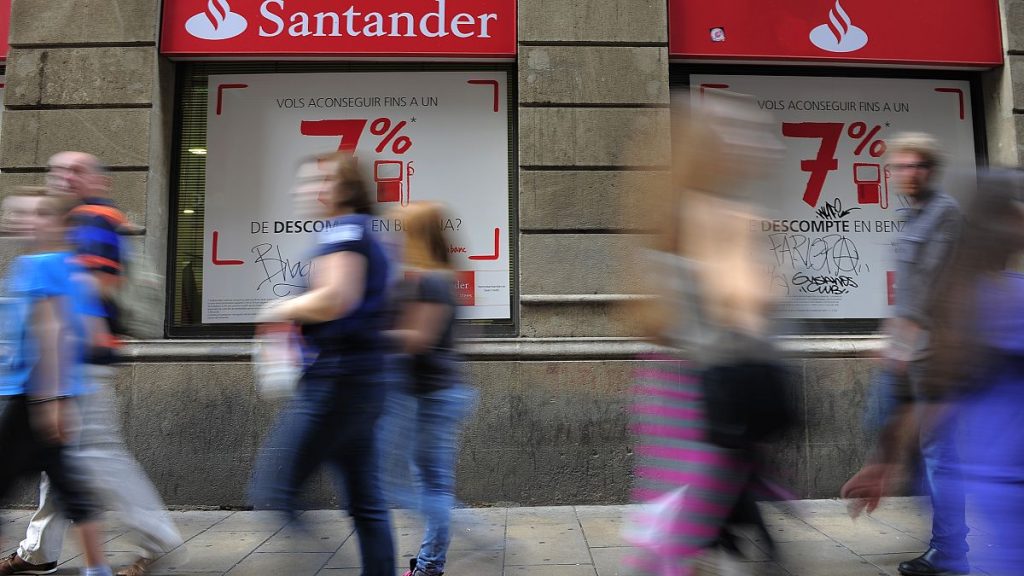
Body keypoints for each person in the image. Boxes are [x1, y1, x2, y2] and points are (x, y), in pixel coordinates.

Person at [625, 94, 791, 576]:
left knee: (680, 524)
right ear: (713, 151)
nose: (762, 144)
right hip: (708, 395)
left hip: (680, 384)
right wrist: (758, 258)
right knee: (683, 525)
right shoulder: (716, 213)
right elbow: (742, 308)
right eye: (745, 134)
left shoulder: (677, 212)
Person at [1, 153, 182, 576]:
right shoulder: (77, 223)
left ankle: (159, 540)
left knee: (97, 457)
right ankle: (38, 551)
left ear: (101, 181)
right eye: (57, 170)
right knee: (60, 461)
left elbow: (94, 286)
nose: (63, 177)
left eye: (75, 170)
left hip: (79, 364)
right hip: (63, 367)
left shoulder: (95, 220)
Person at [249, 152, 395, 576]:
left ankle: (319, 562)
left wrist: (280, 307)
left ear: (347, 187)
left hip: (336, 383)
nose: (309, 189)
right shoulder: (362, 230)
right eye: (307, 180)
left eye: (321, 180)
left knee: (275, 490)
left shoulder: (346, 230)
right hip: (361, 381)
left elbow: (336, 298)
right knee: (366, 503)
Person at [841, 134, 967, 576]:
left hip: (936, 357)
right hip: (911, 351)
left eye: (917, 166)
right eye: (900, 167)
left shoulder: (944, 213)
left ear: (930, 170)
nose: (908, 174)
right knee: (895, 433)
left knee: (938, 455)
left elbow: (931, 287)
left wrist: (902, 335)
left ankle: (951, 551)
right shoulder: (910, 216)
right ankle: (895, 488)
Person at [0, 189, 114, 576]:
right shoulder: (74, 267)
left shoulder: (36, 266)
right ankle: (96, 567)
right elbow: (93, 331)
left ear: (58, 223)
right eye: (17, 212)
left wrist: (48, 401)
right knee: (71, 488)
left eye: (37, 214)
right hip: (61, 393)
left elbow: (51, 331)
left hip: (31, 396)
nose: (23, 220)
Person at [379, 202, 478, 576]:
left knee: (419, 488)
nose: (394, 240)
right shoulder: (425, 278)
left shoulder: (435, 281)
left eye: (400, 231)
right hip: (426, 395)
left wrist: (368, 335)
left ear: (416, 235)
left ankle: (476, 544)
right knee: (426, 485)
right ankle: (428, 565)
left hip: (433, 398)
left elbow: (418, 339)